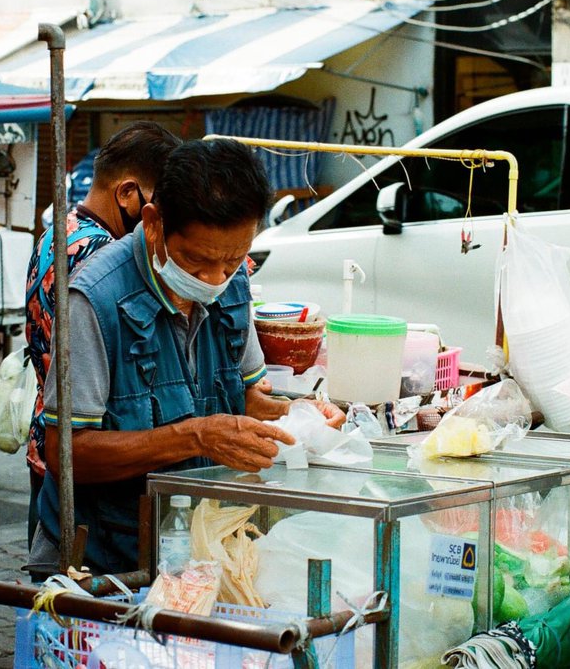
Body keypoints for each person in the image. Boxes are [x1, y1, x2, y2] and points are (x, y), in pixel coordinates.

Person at [31, 138, 344, 575]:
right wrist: (196, 436)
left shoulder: (231, 285)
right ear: (154, 223)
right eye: (198, 262)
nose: (215, 279)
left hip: (195, 549)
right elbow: (68, 455)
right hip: (104, 560)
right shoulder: (93, 300)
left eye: (232, 261)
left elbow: (249, 399)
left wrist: (296, 414)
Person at [24, 121, 181, 550]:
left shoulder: (61, 229)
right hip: (82, 460)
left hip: (47, 445)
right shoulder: (101, 260)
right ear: (128, 193)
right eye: (162, 206)